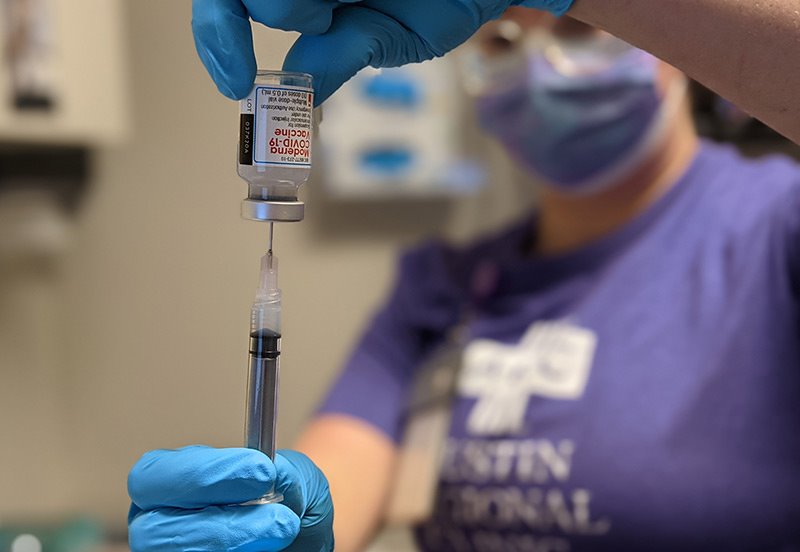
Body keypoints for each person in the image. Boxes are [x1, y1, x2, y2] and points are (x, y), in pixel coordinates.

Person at [127, 3, 800, 552]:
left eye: (575, 26)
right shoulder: (446, 283)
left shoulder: (776, 232)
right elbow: (339, 470)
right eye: (505, 36)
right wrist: (277, 525)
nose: (539, 63)